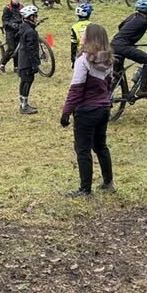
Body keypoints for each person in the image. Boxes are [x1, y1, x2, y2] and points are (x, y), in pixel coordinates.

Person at [60, 22, 115, 197]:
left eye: (84, 33)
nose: (81, 36)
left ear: (90, 38)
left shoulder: (83, 60)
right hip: (103, 108)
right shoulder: (109, 60)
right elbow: (109, 85)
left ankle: (85, 189)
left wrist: (66, 112)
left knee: (82, 149)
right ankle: (108, 182)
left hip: (87, 110)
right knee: (100, 146)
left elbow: (76, 89)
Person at [14, 4, 42, 115]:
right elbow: (31, 49)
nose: (37, 18)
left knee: (24, 81)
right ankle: (24, 106)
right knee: (27, 82)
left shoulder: (24, 27)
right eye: (35, 16)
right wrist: (35, 64)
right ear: (31, 17)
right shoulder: (30, 32)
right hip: (27, 62)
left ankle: (23, 104)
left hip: (22, 60)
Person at [0, 0, 26, 70]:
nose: (16, 0)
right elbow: (5, 21)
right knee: (11, 49)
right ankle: (2, 65)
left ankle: (16, 67)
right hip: (10, 30)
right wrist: (12, 25)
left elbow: (25, 17)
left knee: (18, 48)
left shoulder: (22, 7)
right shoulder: (7, 8)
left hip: (19, 30)